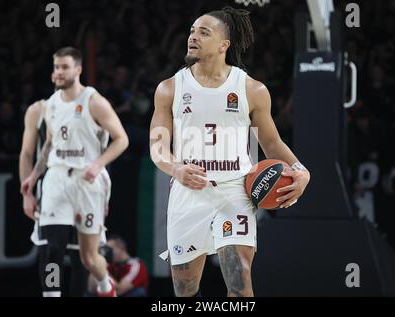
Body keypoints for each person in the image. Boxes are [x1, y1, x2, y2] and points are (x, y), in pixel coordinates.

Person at [149, 7, 310, 297]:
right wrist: (176, 169)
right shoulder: (169, 88)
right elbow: (157, 146)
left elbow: (271, 144)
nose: (193, 37)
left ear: (224, 45)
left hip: (235, 191)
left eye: (204, 32)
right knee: (184, 289)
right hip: (188, 193)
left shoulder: (252, 89)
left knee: (239, 282)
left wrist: (301, 171)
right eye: (192, 31)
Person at [21, 47, 129, 297]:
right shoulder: (50, 105)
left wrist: (98, 163)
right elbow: (49, 143)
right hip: (57, 178)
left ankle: (104, 284)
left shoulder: (94, 101)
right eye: (56, 67)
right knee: (51, 247)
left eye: (64, 67)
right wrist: (33, 177)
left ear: (78, 70)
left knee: (88, 257)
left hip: (87, 179)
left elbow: (121, 139)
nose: (58, 72)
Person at [19, 73, 101, 297]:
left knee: (82, 256)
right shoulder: (39, 109)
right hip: (52, 191)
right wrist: (27, 194)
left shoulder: (92, 106)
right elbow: (27, 154)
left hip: (84, 190)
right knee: (51, 250)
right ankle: (51, 294)